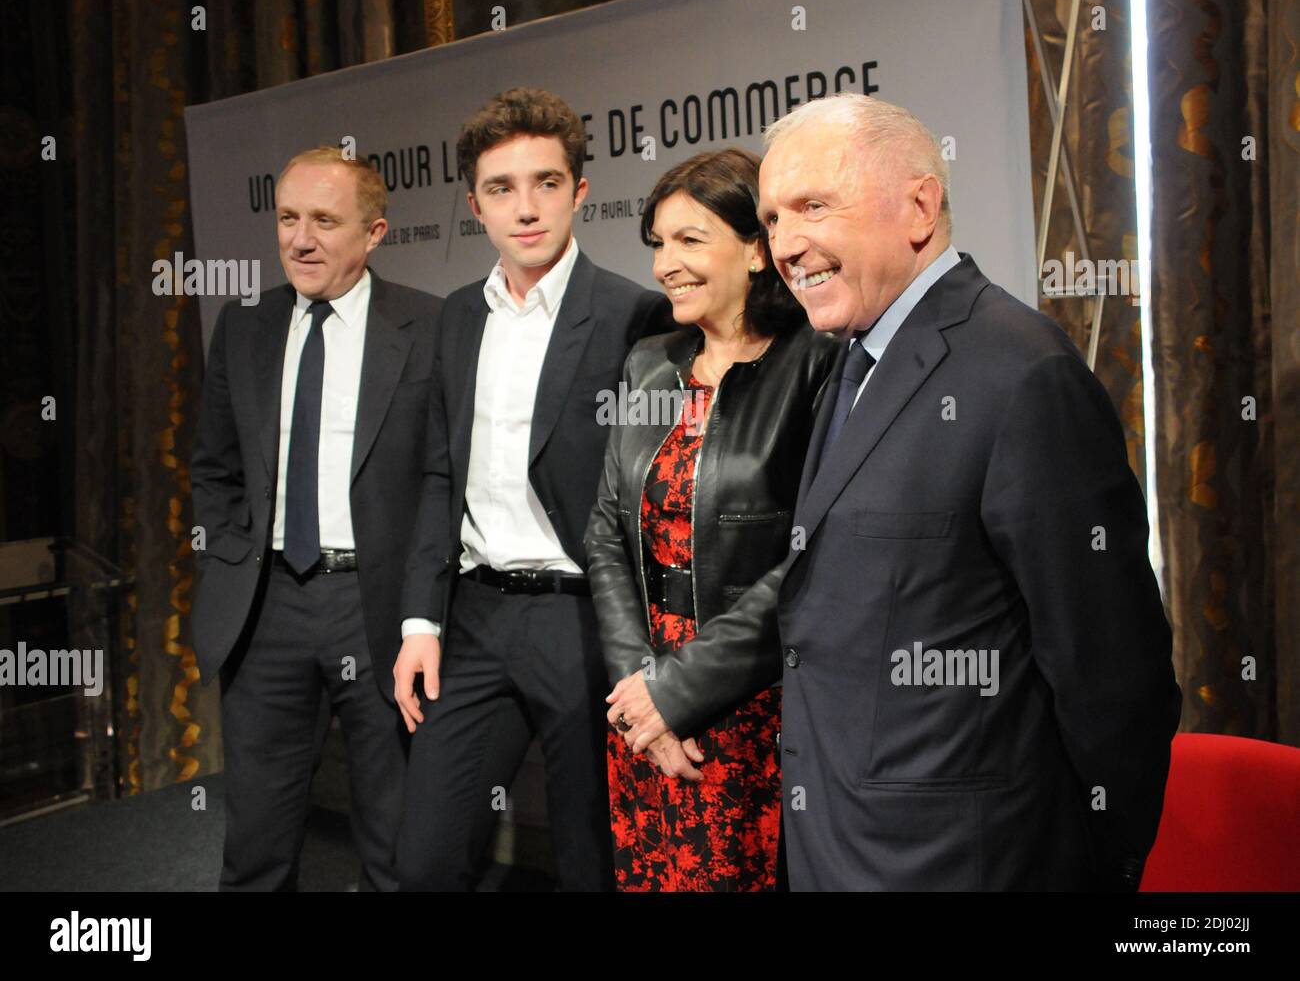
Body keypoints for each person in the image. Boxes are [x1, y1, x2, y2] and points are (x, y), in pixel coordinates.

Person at [619, 93, 1183, 891]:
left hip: (963, 863)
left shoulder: (1022, 375)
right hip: (837, 847)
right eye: (774, 218)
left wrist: (1095, 864)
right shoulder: (850, 355)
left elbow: (1114, 676)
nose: (788, 244)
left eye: (814, 205)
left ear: (918, 206)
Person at [394, 87, 675, 891]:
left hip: (584, 620)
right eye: (500, 188)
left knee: (593, 859)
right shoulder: (454, 319)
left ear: (580, 192)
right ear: (473, 203)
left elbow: (656, 486)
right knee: (427, 858)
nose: (526, 208)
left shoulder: (635, 314)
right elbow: (438, 476)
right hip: (474, 619)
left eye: (547, 183)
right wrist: (421, 621)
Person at [584, 149, 838, 891]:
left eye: (690, 241)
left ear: (757, 249)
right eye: (659, 244)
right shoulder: (648, 363)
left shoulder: (816, 362)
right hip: (642, 703)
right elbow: (606, 528)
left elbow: (811, 557)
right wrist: (641, 688)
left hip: (754, 704)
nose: (666, 264)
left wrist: (681, 692)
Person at [191, 145, 442, 891]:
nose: (300, 239)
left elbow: (442, 476)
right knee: (256, 841)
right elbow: (214, 465)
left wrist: (422, 613)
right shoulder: (244, 326)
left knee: (394, 840)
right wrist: (232, 561)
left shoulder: (430, 325)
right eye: (289, 218)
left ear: (374, 233)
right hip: (263, 607)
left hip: (377, 607)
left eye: (325, 221)